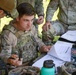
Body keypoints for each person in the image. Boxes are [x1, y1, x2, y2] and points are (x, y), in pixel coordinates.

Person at [0, 3, 51, 67]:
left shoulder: (32, 27)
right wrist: (10, 60)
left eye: (32, 20)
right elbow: (4, 55)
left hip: (35, 63)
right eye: (26, 20)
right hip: (19, 68)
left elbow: (37, 40)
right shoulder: (8, 34)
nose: (29, 24)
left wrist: (43, 47)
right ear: (17, 18)